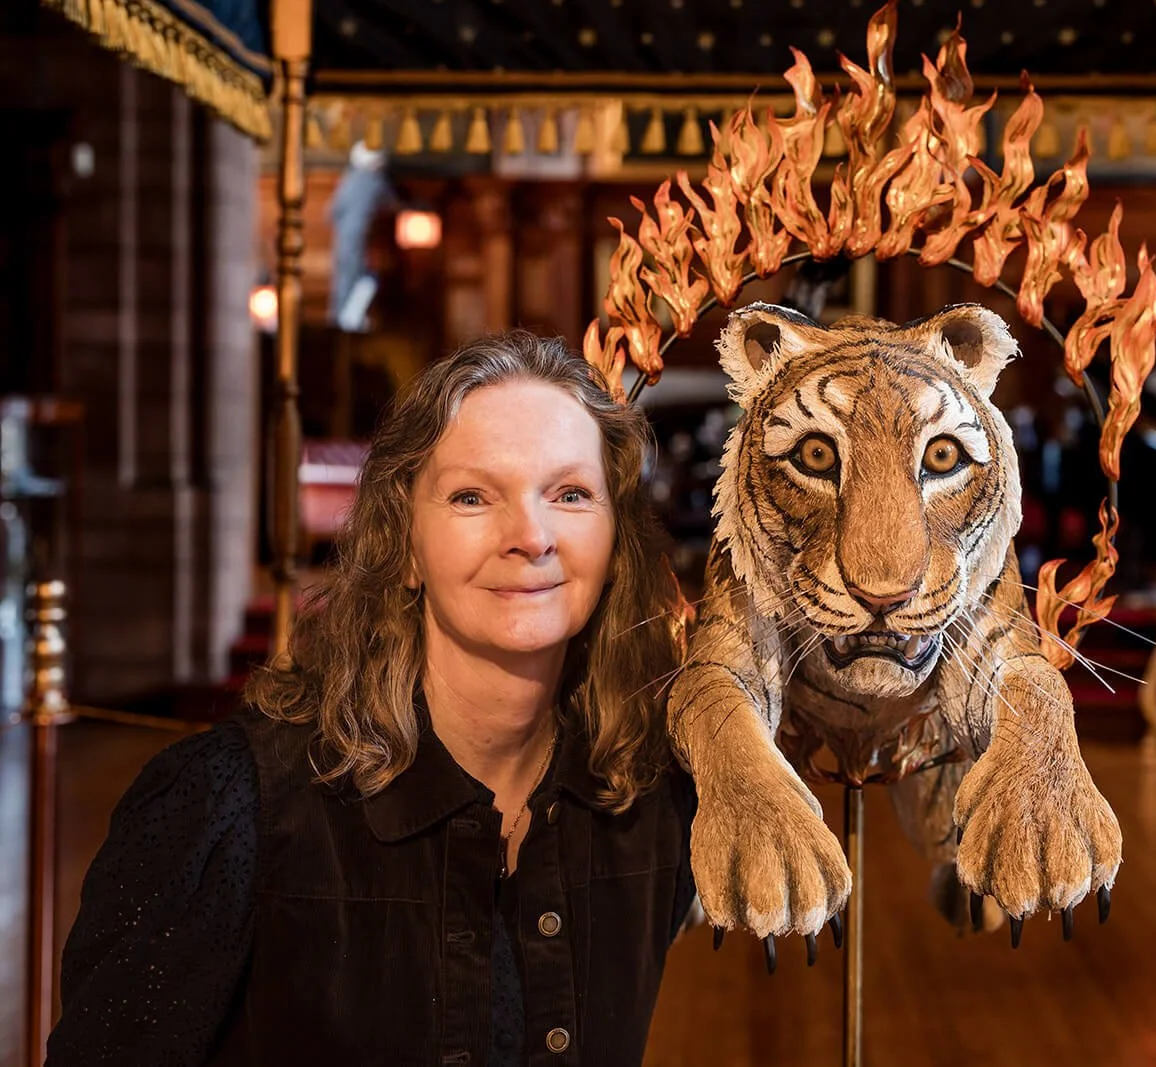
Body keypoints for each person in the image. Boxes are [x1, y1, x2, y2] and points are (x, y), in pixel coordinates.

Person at [48, 333, 696, 1067]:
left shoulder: (648, 804)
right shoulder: (228, 809)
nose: (530, 536)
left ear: (615, 539)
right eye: (472, 497)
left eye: (570, 494)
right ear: (406, 543)